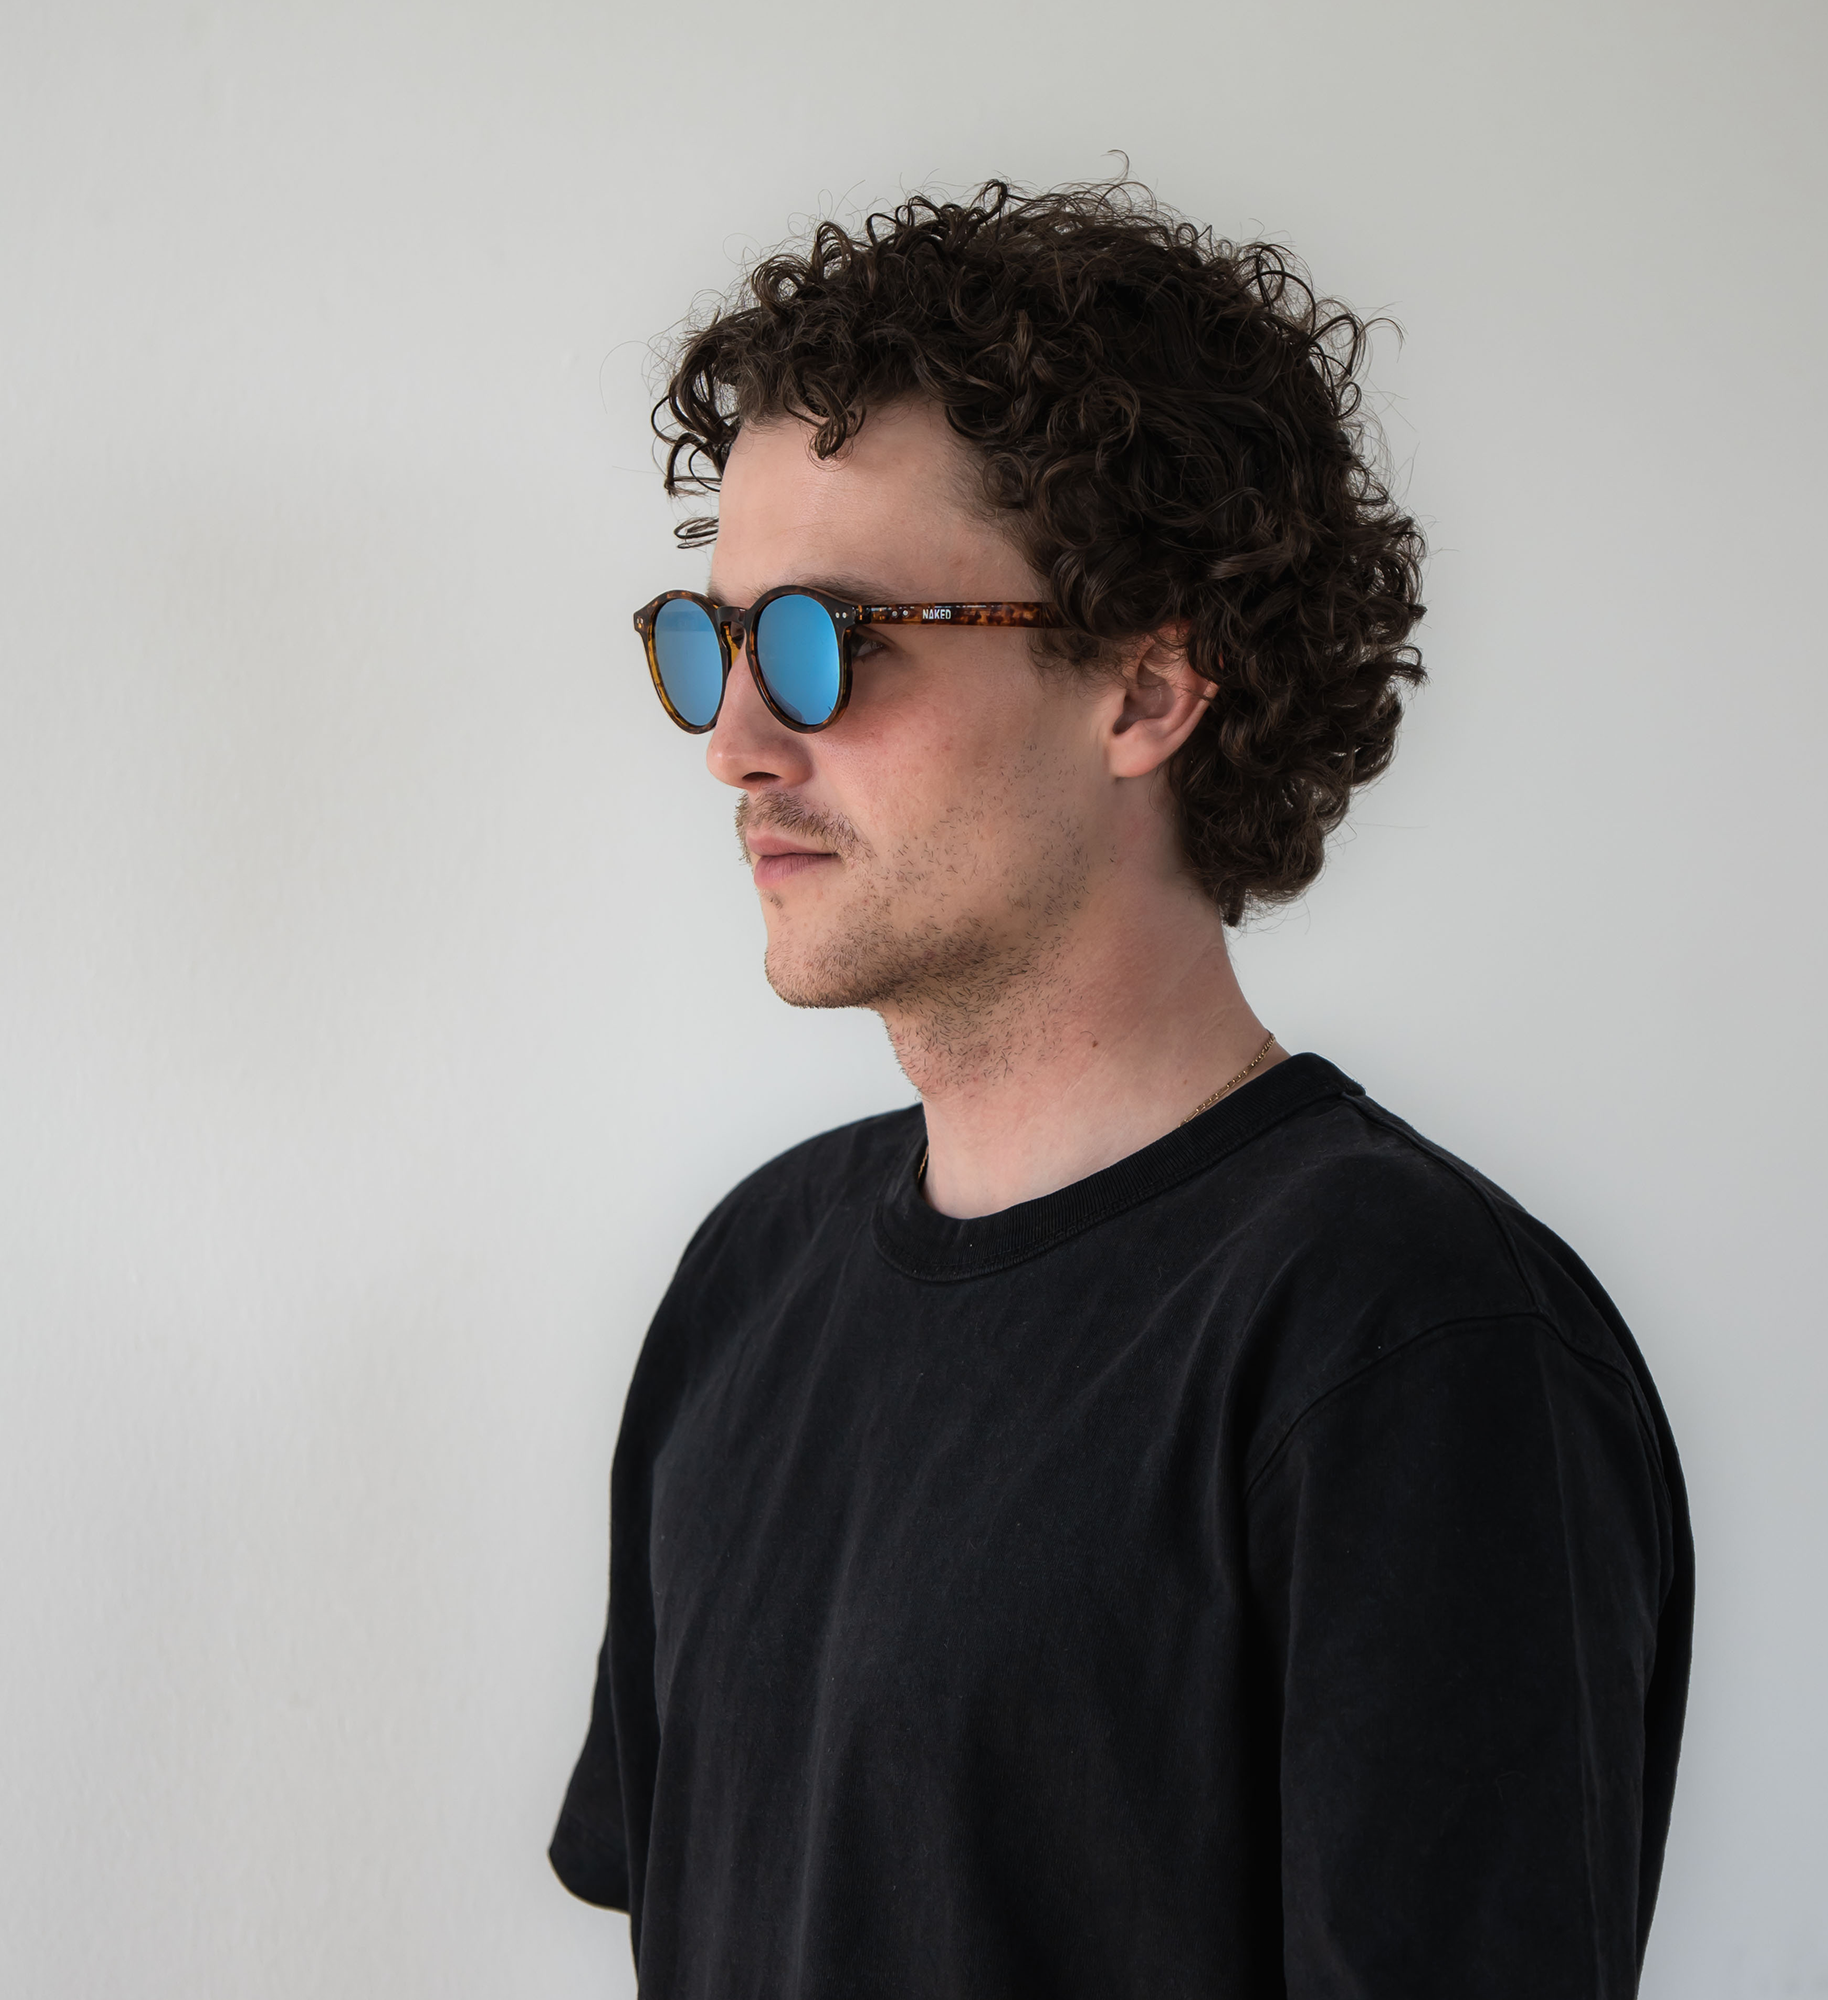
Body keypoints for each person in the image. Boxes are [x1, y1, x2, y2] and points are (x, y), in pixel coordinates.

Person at [550, 179, 1692, 2000]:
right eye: (716, 643)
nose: (737, 744)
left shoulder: (1405, 1339)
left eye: (830, 642)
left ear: (1148, 688)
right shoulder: (749, 1281)